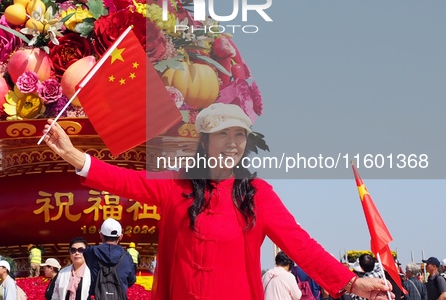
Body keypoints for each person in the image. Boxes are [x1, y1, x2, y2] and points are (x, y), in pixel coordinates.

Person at [42, 102, 393, 300]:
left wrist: (351, 282)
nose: (231, 142)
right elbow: (127, 180)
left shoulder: (258, 196)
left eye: (239, 135)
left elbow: (301, 244)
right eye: (222, 134)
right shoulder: (175, 184)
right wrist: (75, 155)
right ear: (205, 141)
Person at [82, 219, 135, 298]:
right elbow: (131, 280)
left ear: (101, 235)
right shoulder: (127, 257)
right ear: (120, 237)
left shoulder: (90, 252)